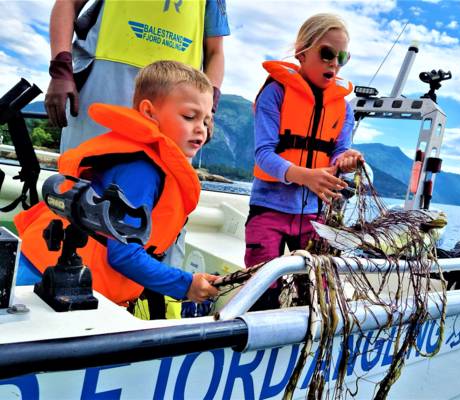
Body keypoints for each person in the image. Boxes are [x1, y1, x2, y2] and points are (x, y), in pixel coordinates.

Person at [15, 60, 219, 316]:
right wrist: (186, 284)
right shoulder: (141, 171)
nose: (200, 128)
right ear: (149, 112)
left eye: (207, 120)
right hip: (48, 287)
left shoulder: (139, 160)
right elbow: (123, 255)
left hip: (43, 270)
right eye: (190, 116)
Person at [245, 13, 364, 309]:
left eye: (342, 57)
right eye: (326, 54)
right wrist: (305, 175)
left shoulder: (343, 108)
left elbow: (338, 152)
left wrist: (346, 159)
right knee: (263, 295)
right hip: (268, 211)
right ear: (302, 52)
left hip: (314, 216)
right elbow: (264, 154)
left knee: (317, 296)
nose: (334, 63)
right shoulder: (275, 93)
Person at [45, 0, 230, 152]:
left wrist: (208, 110)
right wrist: (61, 71)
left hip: (178, 99)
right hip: (104, 79)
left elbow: (215, 51)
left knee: (161, 183)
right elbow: (68, 3)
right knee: (84, 175)